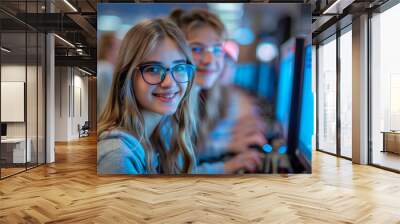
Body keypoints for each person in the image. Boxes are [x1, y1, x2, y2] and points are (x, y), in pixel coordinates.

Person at [170, 9, 267, 174]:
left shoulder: (192, 96)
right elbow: (171, 173)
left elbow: (187, 152)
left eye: (216, 50)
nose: (210, 60)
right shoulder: (169, 104)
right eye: (197, 49)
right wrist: (226, 167)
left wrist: (228, 144)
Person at [97, 18, 197, 174]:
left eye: (179, 67)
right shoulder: (117, 155)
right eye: (153, 69)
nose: (169, 83)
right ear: (127, 77)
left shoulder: (161, 137)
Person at [97, 32, 121, 117]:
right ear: (108, 49)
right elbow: (106, 105)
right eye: (118, 48)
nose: (120, 53)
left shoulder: (102, 67)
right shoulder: (105, 69)